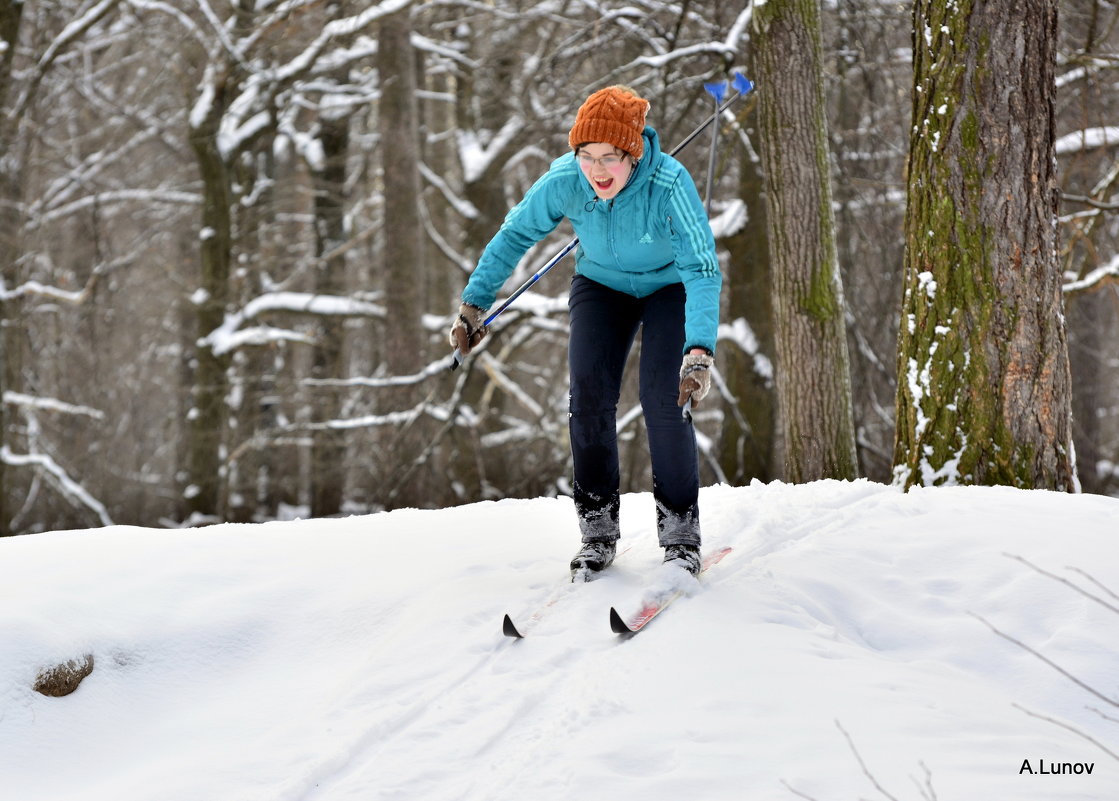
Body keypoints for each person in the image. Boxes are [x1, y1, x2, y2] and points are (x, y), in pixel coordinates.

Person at [449, 85, 721, 579]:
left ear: (632, 154)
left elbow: (702, 268)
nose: (597, 170)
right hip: (601, 284)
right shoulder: (564, 180)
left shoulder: (669, 184)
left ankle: (681, 534)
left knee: (665, 399)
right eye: (587, 156)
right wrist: (474, 305)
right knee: (589, 397)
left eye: (610, 158)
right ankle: (597, 532)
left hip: (669, 287)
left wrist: (699, 351)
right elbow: (515, 234)